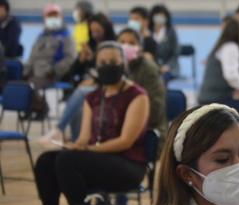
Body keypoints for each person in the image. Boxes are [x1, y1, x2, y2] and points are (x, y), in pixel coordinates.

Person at [33, 41, 150, 205]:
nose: (108, 66)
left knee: (68, 161)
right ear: (96, 65)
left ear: (123, 63)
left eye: (113, 61)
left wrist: (85, 150)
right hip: (99, 160)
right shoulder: (92, 97)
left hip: (129, 164)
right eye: (103, 62)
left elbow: (126, 141)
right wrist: (72, 145)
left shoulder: (137, 96)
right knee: (46, 161)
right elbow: (84, 139)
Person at [39, 12, 115, 143]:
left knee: (80, 93)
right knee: (78, 110)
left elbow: (111, 72)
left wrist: (93, 66)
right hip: (87, 85)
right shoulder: (90, 44)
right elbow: (73, 72)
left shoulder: (112, 46)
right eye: (92, 31)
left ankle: (58, 129)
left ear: (105, 29)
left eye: (98, 31)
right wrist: (81, 60)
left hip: (104, 86)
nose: (95, 34)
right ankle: (76, 142)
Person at [117, 28, 167, 154]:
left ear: (140, 47)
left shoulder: (148, 70)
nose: (126, 46)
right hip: (117, 128)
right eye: (122, 42)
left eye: (131, 43)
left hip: (146, 129)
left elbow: (155, 110)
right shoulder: (114, 67)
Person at [24, 4, 76, 117]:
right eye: (49, 16)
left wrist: (55, 70)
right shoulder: (41, 36)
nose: (52, 19)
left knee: (32, 85)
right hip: (36, 71)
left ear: (61, 17)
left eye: (55, 16)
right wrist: (26, 71)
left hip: (53, 73)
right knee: (21, 84)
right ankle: (34, 107)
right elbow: (32, 56)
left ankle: (41, 108)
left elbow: (70, 58)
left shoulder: (66, 36)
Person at [198, 17, 239, 110]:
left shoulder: (221, 47)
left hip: (208, 98)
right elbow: (231, 76)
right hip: (218, 100)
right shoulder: (231, 47)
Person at [149, 4, 179, 81]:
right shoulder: (148, 31)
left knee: (162, 78)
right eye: (157, 15)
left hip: (169, 68)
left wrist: (167, 66)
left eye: (162, 15)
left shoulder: (171, 31)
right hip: (152, 66)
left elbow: (175, 53)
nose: (159, 18)